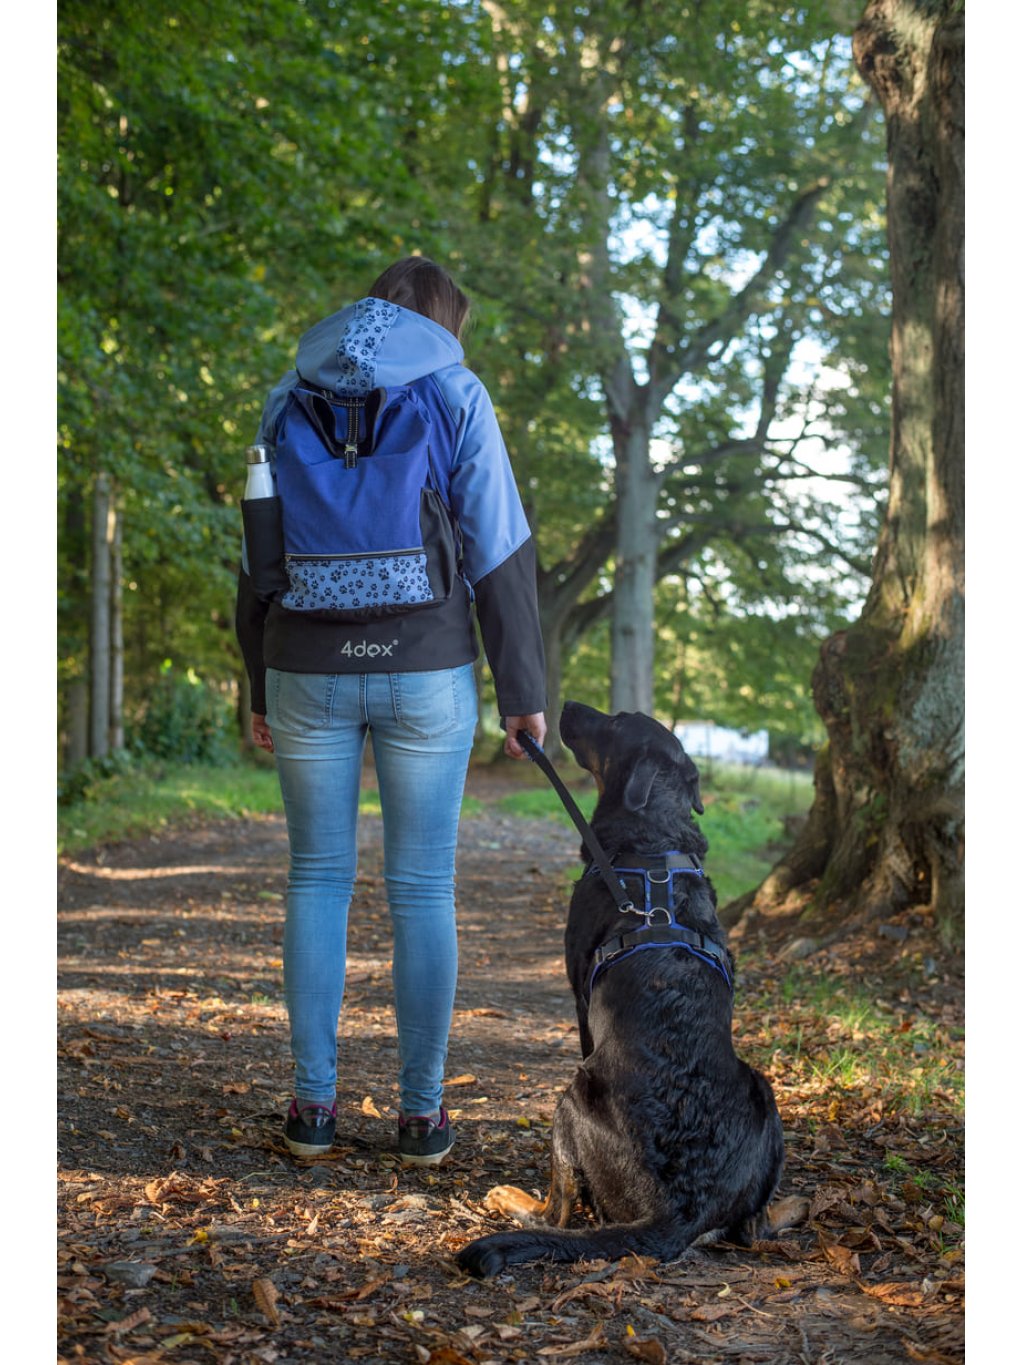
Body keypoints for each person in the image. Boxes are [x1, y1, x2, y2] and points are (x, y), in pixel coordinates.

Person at [235, 257, 547, 1166]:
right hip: (427, 669)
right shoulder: (456, 390)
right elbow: (499, 546)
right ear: (447, 321)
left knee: (317, 879)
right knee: (421, 889)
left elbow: (256, 554)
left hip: (304, 664)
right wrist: (523, 693)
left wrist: (260, 682)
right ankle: (421, 1118)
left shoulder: (289, 392)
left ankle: (313, 1109)